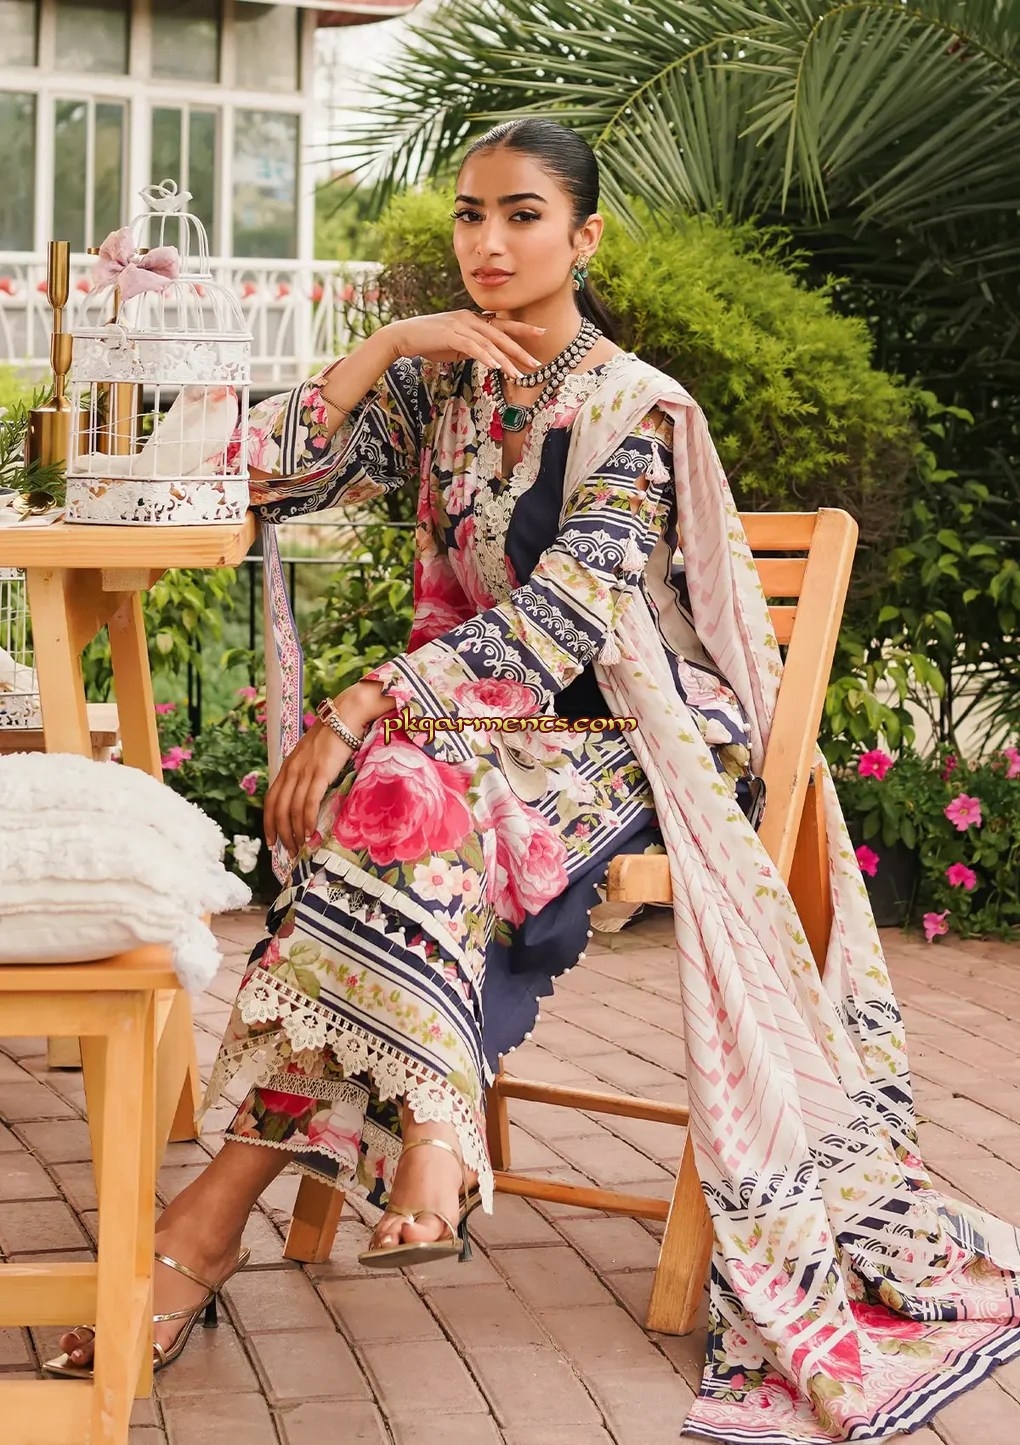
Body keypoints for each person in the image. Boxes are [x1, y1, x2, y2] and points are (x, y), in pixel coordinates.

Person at [46, 119, 1020, 1445]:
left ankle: (220, 1228)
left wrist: (363, 702)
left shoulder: (635, 412)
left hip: (636, 731)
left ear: (584, 236)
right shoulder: (442, 387)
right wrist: (391, 347)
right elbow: (254, 473)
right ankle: (414, 1153)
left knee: (402, 791)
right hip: (464, 732)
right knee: (408, 799)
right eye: (470, 215)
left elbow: (563, 627)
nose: (489, 242)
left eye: (521, 215)